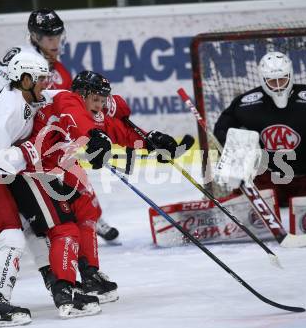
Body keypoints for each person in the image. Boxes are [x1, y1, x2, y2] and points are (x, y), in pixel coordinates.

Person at [0, 8, 117, 274]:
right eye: (47, 37)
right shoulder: (23, 59)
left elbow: (59, 102)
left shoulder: (49, 65)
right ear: (34, 37)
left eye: (57, 36)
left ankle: (92, 216)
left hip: (14, 124)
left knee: (50, 166)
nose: (55, 43)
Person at [0, 52, 101, 326]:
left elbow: (59, 97)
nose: (47, 83)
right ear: (25, 79)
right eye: (41, 78)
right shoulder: (8, 107)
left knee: (31, 227)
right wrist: (31, 151)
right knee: (12, 236)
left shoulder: (23, 95)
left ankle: (57, 284)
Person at [9, 70, 183, 304]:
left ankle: (89, 273)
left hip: (63, 164)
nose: (100, 106)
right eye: (96, 99)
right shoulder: (65, 100)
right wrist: (93, 138)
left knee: (88, 208)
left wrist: (151, 140)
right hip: (36, 168)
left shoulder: (92, 112)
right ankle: (61, 281)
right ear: (81, 94)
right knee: (64, 226)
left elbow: (118, 130)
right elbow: (76, 120)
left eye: (103, 101)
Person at [213, 51, 306, 206]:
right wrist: (241, 154)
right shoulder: (245, 104)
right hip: (268, 181)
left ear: (290, 75)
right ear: (263, 80)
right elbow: (221, 132)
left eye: (282, 79)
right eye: (272, 81)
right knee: (241, 208)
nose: (278, 86)